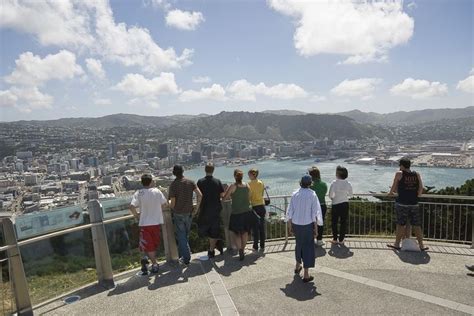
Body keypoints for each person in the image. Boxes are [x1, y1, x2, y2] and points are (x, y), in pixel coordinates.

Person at [287, 175, 323, 283]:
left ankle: (298, 266)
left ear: (300, 183)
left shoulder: (295, 194)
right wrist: (316, 229)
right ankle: (306, 274)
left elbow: (290, 212)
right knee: (308, 248)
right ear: (310, 183)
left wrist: (290, 227)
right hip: (307, 225)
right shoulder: (312, 194)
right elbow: (314, 214)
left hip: (296, 224)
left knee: (299, 245)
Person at [387, 158, 428, 251]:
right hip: (414, 203)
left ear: (402, 165)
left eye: (399, 165)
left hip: (402, 203)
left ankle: (397, 244)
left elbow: (393, 188)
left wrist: (390, 193)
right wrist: (417, 195)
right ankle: (421, 246)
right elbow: (421, 188)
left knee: (401, 224)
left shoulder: (399, 174)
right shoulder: (416, 174)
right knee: (416, 225)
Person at [129, 174, 167, 275]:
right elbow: (164, 204)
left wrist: (137, 216)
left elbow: (132, 206)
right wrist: (158, 211)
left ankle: (148, 260)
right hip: (156, 222)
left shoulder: (139, 193)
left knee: (148, 245)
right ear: (151, 182)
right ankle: (153, 263)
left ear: (142, 182)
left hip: (144, 224)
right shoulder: (157, 191)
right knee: (153, 244)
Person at [169, 165, 202, 265]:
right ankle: (184, 255)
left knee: (182, 236)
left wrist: (169, 205)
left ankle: (186, 258)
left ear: (174, 173)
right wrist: (196, 208)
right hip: (189, 212)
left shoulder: (173, 185)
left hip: (178, 213)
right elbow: (200, 195)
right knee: (185, 235)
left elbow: (173, 203)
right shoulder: (190, 182)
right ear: (183, 171)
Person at [223, 169, 254, 261]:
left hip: (236, 213)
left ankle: (240, 249)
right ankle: (242, 249)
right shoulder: (247, 185)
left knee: (235, 232)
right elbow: (249, 197)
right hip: (247, 212)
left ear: (234, 176)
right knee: (244, 232)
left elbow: (225, 198)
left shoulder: (233, 186)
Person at [197, 162, 225, 258]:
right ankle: (213, 248)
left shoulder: (200, 182)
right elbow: (222, 195)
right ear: (213, 170)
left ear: (205, 170)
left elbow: (198, 197)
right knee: (214, 230)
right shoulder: (217, 181)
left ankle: (214, 246)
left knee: (203, 229)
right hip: (216, 209)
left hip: (204, 209)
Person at [329, 166, 353, 245]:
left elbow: (330, 195)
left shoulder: (334, 183)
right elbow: (351, 195)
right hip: (345, 204)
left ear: (338, 174)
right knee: (343, 222)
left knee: (334, 222)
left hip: (335, 204)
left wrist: (333, 198)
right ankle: (341, 239)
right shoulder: (348, 183)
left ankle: (335, 239)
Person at [309, 166, 328, 247]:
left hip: (312, 207)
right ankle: (319, 240)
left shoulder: (310, 186)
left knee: (311, 223)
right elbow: (324, 193)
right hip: (322, 205)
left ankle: (311, 239)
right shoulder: (324, 184)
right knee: (320, 223)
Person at [248, 168, 266, 252]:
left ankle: (255, 246)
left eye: (249, 174)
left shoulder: (249, 184)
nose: (248, 176)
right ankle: (262, 245)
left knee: (255, 228)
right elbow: (262, 193)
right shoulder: (261, 182)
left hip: (254, 207)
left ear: (252, 175)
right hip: (262, 206)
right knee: (261, 227)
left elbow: (249, 196)